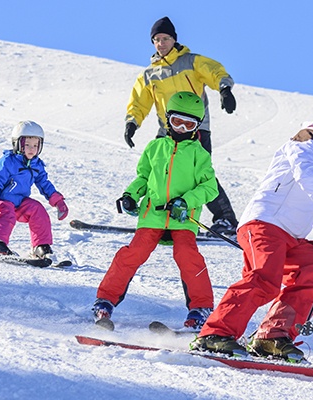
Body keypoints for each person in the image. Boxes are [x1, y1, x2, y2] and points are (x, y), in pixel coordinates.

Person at [191, 88, 313, 362]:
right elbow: (306, 175)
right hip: (266, 222)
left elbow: (312, 198)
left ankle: (272, 337)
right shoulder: (309, 137)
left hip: (292, 233)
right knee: (265, 279)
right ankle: (214, 334)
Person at [93, 92, 220, 330]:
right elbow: (143, 177)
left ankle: (201, 309)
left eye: (189, 124)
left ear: (197, 126)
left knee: (188, 256)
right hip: (152, 215)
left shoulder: (199, 154)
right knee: (132, 254)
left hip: (182, 218)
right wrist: (131, 195)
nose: (182, 128)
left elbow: (210, 188)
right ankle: (105, 301)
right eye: (177, 122)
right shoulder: (154, 147)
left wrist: (186, 201)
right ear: (167, 120)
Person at [122, 16, 238, 237]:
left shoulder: (191, 62)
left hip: (196, 129)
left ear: (174, 39)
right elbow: (138, 102)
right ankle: (161, 218)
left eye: (165, 38)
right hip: (166, 132)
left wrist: (225, 90)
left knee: (199, 174)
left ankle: (226, 219)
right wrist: (132, 123)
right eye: (157, 39)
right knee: (158, 173)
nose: (161, 43)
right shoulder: (149, 75)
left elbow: (216, 72)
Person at [0, 120, 69, 258]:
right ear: (17, 144)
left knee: (37, 209)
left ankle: (41, 246)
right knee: (7, 215)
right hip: (4, 201)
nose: (31, 149)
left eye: (35, 145)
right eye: (27, 145)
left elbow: (44, 183)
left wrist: (58, 201)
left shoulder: (37, 165)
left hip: (21, 202)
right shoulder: (7, 162)